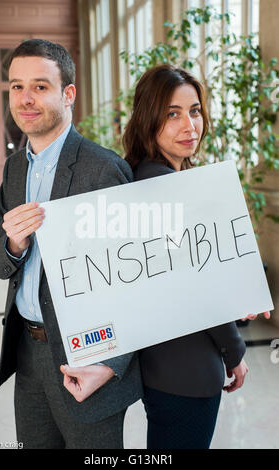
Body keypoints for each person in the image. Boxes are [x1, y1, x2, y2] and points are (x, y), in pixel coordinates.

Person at [0, 39, 142, 449]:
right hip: (28, 356)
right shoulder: (15, 169)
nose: (25, 98)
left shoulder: (103, 169)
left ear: (68, 94)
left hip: (88, 358)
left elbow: (138, 282)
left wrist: (108, 365)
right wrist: (13, 244)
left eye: (40, 85)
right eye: (16, 86)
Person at [123, 64, 269, 449]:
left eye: (195, 111)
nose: (190, 125)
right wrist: (235, 351)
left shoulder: (144, 177)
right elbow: (198, 286)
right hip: (186, 366)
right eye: (173, 113)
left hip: (163, 366)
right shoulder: (166, 186)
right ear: (148, 118)